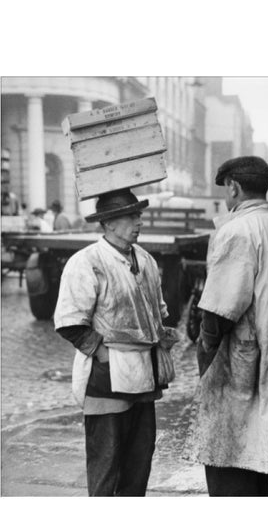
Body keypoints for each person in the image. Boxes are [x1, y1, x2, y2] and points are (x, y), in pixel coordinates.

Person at [54, 189, 178, 497]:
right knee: (107, 462)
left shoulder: (146, 261)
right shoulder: (87, 263)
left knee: (139, 462)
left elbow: (157, 311)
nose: (139, 221)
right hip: (105, 379)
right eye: (130, 216)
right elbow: (70, 322)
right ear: (108, 223)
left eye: (138, 214)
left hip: (144, 378)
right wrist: (103, 353)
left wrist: (162, 334)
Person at [186, 156, 268, 497]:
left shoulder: (236, 230)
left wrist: (205, 356)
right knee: (264, 453)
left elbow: (219, 309)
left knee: (230, 456)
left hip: (241, 361)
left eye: (226, 190)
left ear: (233, 187)